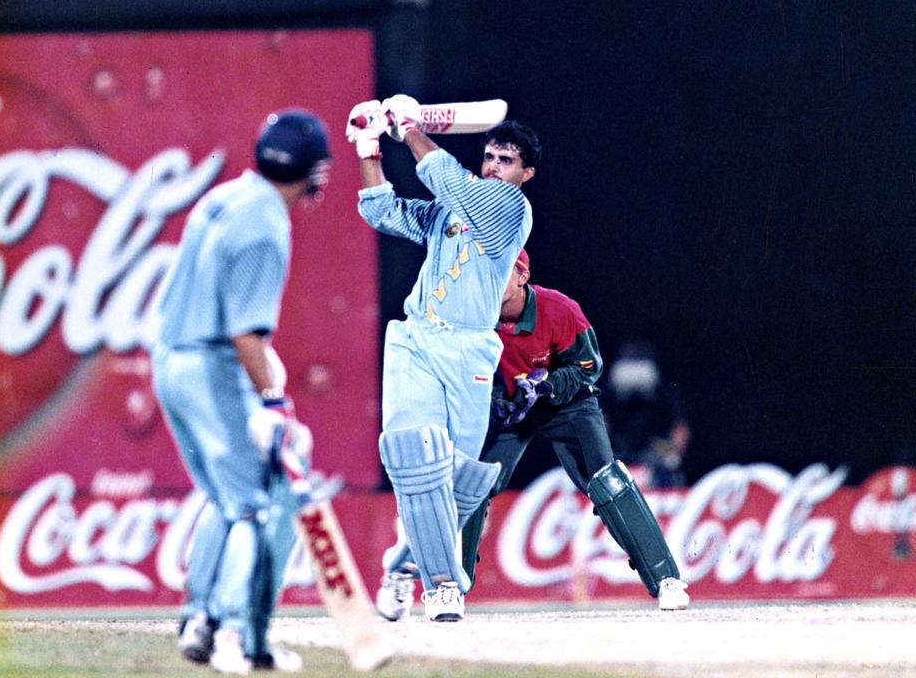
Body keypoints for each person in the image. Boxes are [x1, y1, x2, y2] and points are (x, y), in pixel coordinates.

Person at [374, 251, 689, 619]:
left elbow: (590, 367)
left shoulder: (559, 309)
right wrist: (497, 400)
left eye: (497, 273)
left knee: (609, 481)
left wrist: (549, 386)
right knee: (470, 483)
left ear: (522, 276)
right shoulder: (473, 318)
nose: (485, 282)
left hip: (567, 406)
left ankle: (666, 579)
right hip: (513, 413)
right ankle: (450, 588)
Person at [150, 109, 331, 674]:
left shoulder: (226, 197)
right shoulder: (267, 227)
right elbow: (245, 334)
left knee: (226, 501)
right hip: (211, 366)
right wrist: (273, 401)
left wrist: (265, 382)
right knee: (252, 505)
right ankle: (236, 638)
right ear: (314, 169)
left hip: (170, 359)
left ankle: (199, 620)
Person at [346, 94, 537, 622]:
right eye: (490, 156)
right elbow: (385, 211)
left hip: (472, 349)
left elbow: (446, 179)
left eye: (507, 160)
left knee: (463, 485)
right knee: (416, 455)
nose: (495, 165)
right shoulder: (451, 210)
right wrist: (368, 148)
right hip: (419, 339)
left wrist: (407, 128)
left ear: (525, 174)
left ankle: (400, 565)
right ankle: (442, 585)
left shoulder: (509, 209)